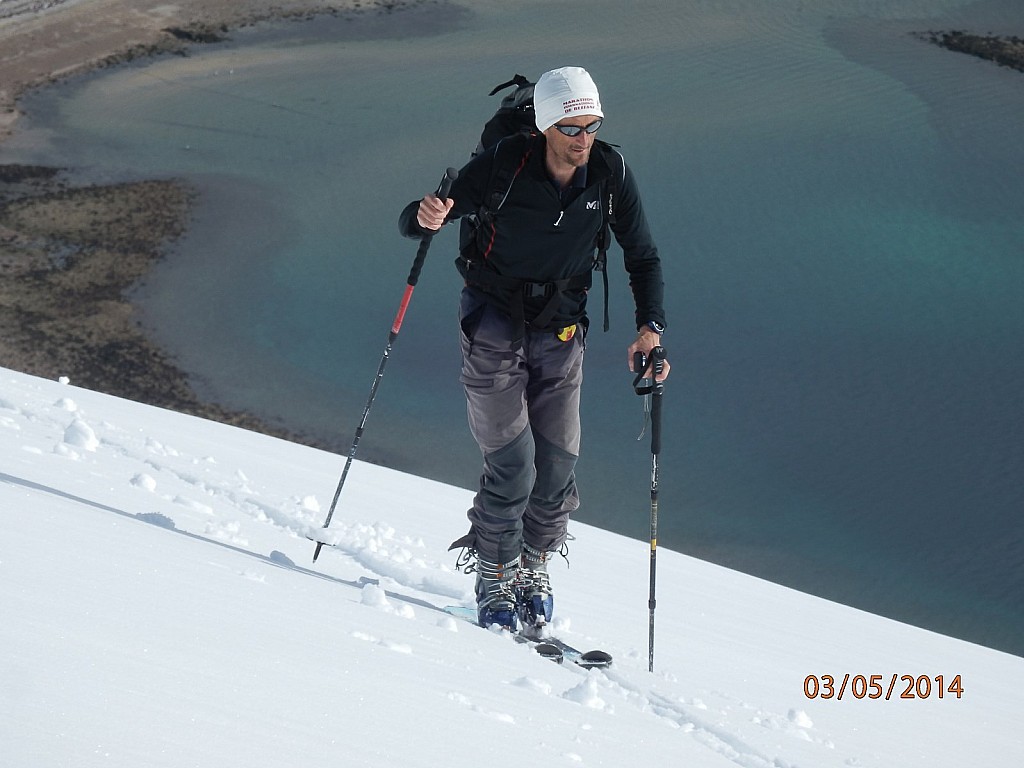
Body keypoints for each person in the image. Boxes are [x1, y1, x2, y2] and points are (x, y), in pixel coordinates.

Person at [398, 66, 669, 632]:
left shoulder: (609, 172)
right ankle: (495, 572)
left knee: (558, 466)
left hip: (564, 330)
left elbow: (641, 256)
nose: (583, 138)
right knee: (514, 464)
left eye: (592, 125)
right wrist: (424, 217)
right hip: (493, 324)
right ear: (546, 125)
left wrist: (650, 329)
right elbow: (420, 218)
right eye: (572, 127)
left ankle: (534, 564)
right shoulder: (503, 165)